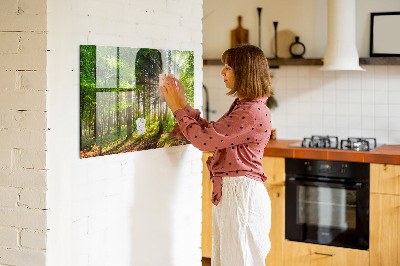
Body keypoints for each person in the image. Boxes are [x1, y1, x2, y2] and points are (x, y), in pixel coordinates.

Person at [161, 44, 273, 266]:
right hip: (236, 193)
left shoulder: (250, 111)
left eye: (228, 67)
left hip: (241, 196)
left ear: (244, 72)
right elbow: (212, 133)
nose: (222, 72)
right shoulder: (246, 106)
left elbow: (204, 141)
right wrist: (182, 103)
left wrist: (176, 108)